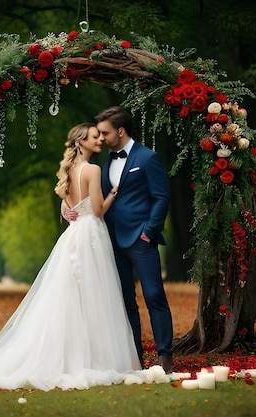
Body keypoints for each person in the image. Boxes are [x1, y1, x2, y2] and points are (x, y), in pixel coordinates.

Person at [0, 123, 154, 391]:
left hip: (74, 232)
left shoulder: (69, 170)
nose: (100, 140)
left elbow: (67, 203)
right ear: (81, 142)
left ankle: (75, 353)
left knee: (73, 293)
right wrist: (113, 194)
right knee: (96, 292)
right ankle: (96, 355)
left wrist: (66, 209)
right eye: (94, 137)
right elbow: (98, 210)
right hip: (91, 232)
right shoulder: (92, 170)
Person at [95, 106, 174, 373]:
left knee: (154, 296)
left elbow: (161, 197)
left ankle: (165, 357)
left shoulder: (148, 157)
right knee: (126, 300)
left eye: (105, 133)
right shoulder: (106, 163)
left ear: (120, 130)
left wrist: (148, 232)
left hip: (141, 239)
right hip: (113, 241)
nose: (101, 138)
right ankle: (135, 359)